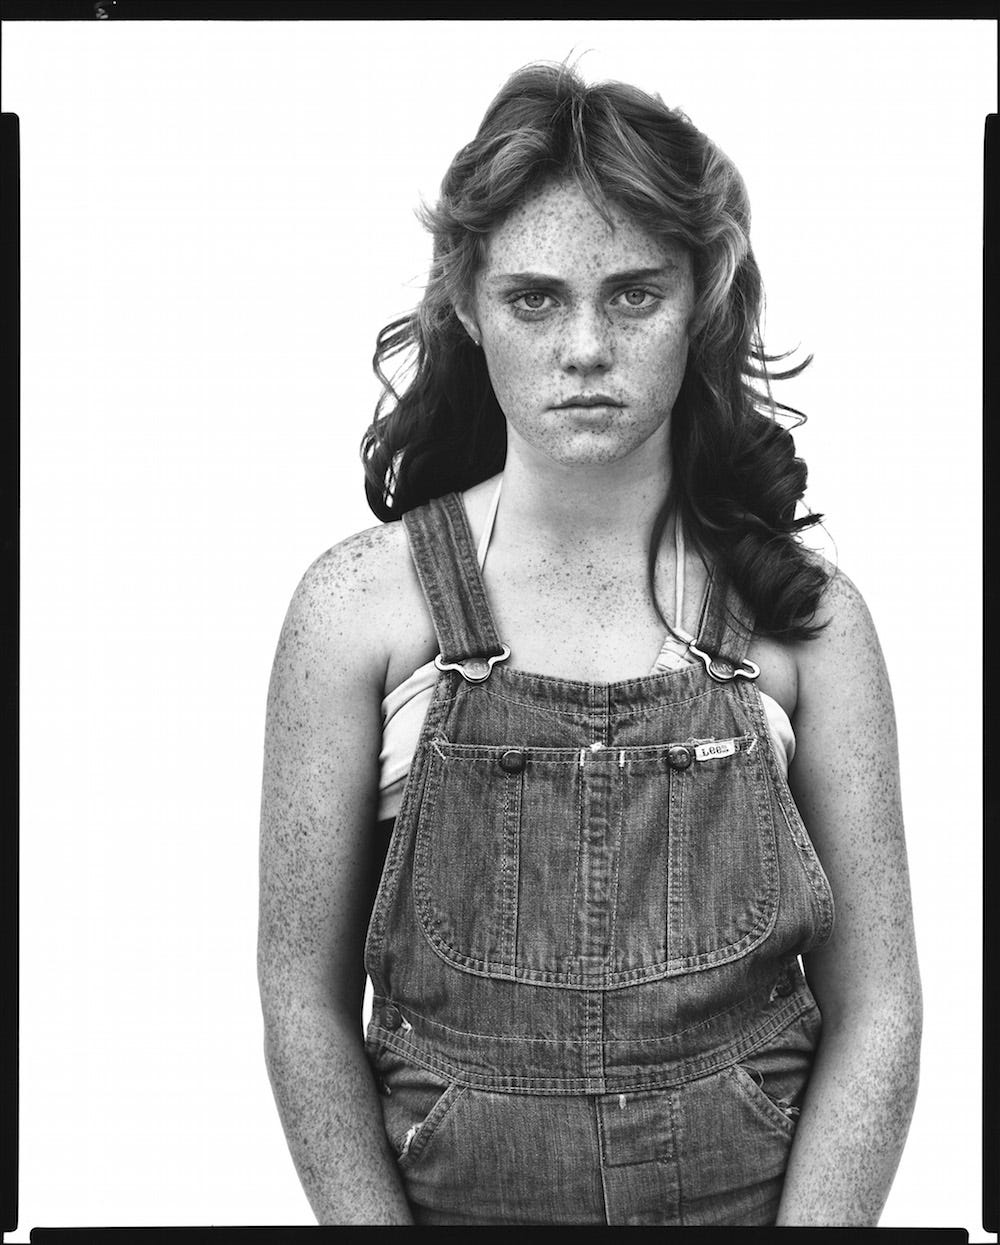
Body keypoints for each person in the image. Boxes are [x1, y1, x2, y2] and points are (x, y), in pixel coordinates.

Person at [257, 62, 922, 1226]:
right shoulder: (356, 611)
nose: (583, 349)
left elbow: (879, 1009)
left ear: (701, 294)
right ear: (465, 303)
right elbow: (298, 1000)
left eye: (632, 295)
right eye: (533, 298)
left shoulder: (808, 623)